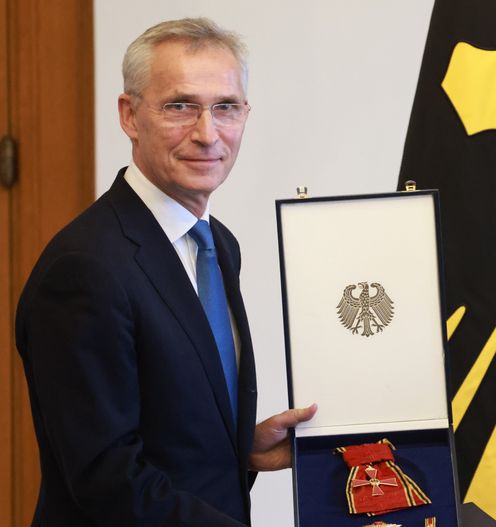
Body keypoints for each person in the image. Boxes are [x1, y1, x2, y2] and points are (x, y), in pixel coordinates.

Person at [15, 18, 315, 525]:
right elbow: (107, 478)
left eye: (226, 107)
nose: (207, 133)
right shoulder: (84, 269)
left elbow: (167, 422)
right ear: (129, 116)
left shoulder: (218, 243)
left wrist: (239, 448)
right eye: (180, 106)